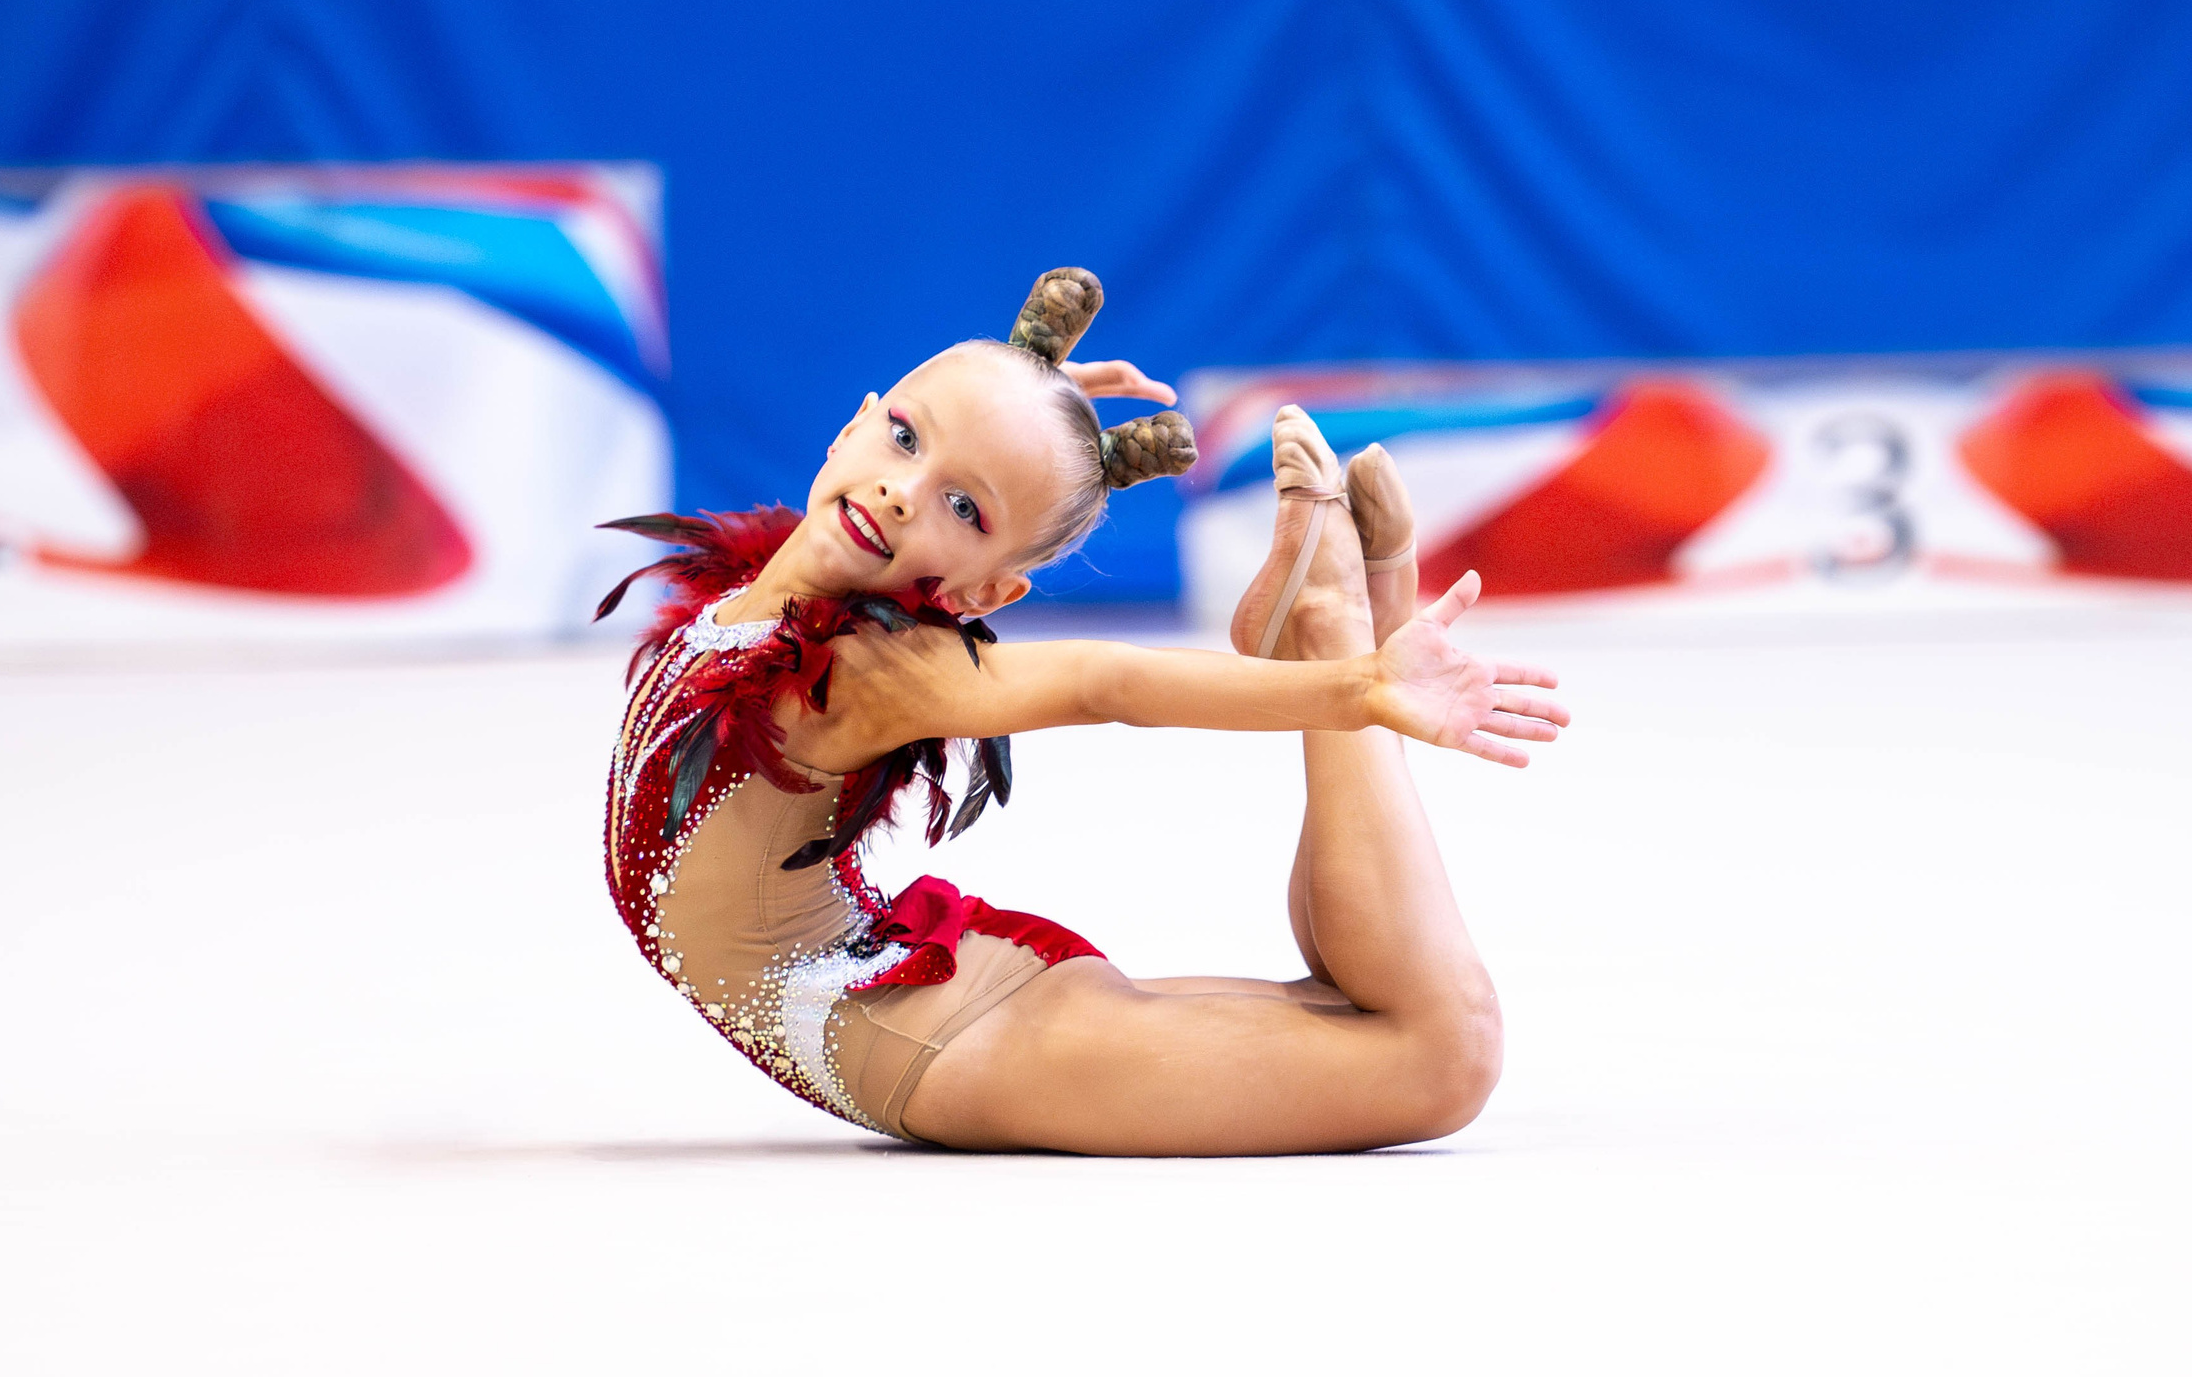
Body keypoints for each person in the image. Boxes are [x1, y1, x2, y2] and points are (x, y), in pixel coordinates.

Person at [599, 269, 1568, 1155]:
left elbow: (1109, 683)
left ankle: (1340, 635)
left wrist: (1359, 694)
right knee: (1355, 1010)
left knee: (1446, 1051)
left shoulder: (869, 672)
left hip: (964, 1044)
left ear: (981, 599)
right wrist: (1020, 420)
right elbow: (972, 436)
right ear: (851, 423)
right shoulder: (761, 595)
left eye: (964, 509)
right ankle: (1343, 624)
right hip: (937, 986)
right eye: (905, 434)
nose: (901, 494)